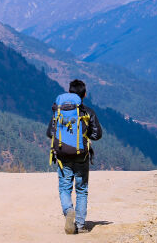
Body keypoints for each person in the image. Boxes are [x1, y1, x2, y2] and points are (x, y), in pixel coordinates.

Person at [47, 79, 102, 235]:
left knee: (65, 188)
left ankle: (68, 210)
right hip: (81, 156)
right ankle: (80, 224)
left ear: (69, 92)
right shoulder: (88, 112)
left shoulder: (58, 111)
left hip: (62, 155)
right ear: (84, 95)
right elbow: (98, 134)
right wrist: (84, 136)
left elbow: (50, 133)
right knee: (82, 190)